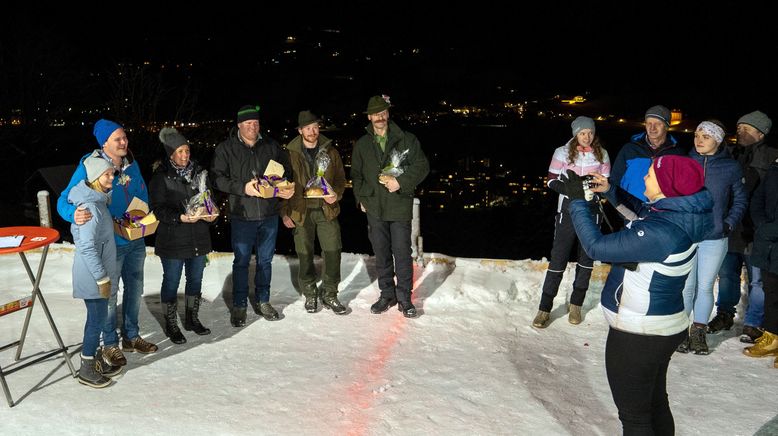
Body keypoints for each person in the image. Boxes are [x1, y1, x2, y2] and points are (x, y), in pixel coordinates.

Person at [555, 155, 712, 434]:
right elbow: (644, 213)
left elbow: (596, 247)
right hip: (663, 325)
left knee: (635, 417)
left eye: (650, 175)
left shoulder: (661, 233)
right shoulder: (681, 215)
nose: (644, 179)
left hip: (639, 333)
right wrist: (611, 190)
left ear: (666, 186)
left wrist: (577, 201)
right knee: (654, 404)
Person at [57, 119, 158, 369]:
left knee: (135, 289)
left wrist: (142, 215)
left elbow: (142, 195)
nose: (124, 142)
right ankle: (110, 343)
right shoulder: (90, 166)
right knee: (110, 295)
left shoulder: (131, 165)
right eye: (117, 139)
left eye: (125, 137)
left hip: (134, 239)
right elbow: (64, 199)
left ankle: (131, 337)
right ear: (104, 142)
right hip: (109, 245)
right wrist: (73, 214)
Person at [211, 105, 294, 327]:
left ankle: (263, 300)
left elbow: (287, 171)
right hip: (242, 214)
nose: (253, 127)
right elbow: (217, 179)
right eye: (248, 124)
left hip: (268, 214)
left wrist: (287, 187)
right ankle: (239, 305)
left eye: (256, 123)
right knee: (241, 262)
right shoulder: (226, 149)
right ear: (239, 125)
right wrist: (242, 188)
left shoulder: (271, 146)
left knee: (265, 261)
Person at [351, 95, 429, 318]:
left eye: (383, 113)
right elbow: (356, 175)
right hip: (374, 206)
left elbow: (422, 166)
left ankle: (404, 297)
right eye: (376, 114)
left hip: (399, 205)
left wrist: (401, 182)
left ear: (388, 114)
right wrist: (361, 199)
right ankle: (387, 294)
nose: (380, 117)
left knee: (403, 253)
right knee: (381, 252)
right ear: (369, 117)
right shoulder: (363, 144)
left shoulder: (406, 139)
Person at [533, 116, 610, 328]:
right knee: (558, 259)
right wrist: (568, 189)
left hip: (592, 210)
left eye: (591, 133)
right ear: (575, 133)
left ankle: (576, 305)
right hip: (566, 210)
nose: (587, 137)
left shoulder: (602, 153)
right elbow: (551, 180)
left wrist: (593, 189)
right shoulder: (562, 152)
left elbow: (605, 181)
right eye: (583, 132)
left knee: (586, 261)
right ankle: (544, 308)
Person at [678, 120, 747, 354]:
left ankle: (698, 333)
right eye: (697, 134)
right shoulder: (686, 162)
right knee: (687, 287)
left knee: (705, 286)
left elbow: (740, 200)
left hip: (715, 237)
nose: (698, 139)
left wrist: (728, 224)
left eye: (705, 136)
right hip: (687, 235)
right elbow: (674, 194)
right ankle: (681, 332)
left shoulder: (730, 167)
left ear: (717, 140)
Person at [709, 111, 776, 344]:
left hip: (758, 231)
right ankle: (725, 314)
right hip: (731, 226)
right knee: (727, 273)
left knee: (757, 280)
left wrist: (764, 225)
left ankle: (754, 323)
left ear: (761, 132)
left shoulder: (771, 157)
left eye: (747, 129)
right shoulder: (729, 155)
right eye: (738, 128)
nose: (741, 132)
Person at [149, 127, 217, 344]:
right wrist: (180, 217)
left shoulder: (200, 174)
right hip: (173, 239)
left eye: (187, 150)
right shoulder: (161, 178)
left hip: (198, 237)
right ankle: (171, 324)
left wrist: (211, 214)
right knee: (171, 281)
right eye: (179, 151)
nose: (185, 155)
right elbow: (158, 209)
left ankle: (191, 319)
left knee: (195, 279)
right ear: (171, 154)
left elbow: (209, 201)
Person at [280, 110, 347, 314]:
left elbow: (340, 180)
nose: (313, 131)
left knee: (333, 250)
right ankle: (310, 293)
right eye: (308, 128)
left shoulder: (331, 152)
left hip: (327, 209)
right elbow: (282, 186)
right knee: (304, 254)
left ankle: (330, 293)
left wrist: (336, 195)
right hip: (300, 211)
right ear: (300, 131)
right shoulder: (289, 154)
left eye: (316, 127)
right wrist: (284, 213)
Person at [69, 155, 122, 388]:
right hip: (93, 276)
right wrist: (102, 278)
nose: (112, 177)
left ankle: (93, 359)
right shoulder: (91, 206)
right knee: (96, 320)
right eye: (107, 174)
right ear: (94, 177)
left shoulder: (99, 201)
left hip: (97, 273)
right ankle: (87, 368)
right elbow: (87, 246)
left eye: (112, 173)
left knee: (97, 319)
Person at [609, 105, 686, 201]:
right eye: (649, 123)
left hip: (663, 211)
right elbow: (614, 180)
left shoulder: (678, 154)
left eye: (658, 124)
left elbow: (682, 186)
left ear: (666, 126)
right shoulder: (629, 149)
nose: (652, 128)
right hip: (630, 209)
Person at [745, 156, 778, 366]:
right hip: (769, 244)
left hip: (769, 236)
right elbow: (757, 199)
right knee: (772, 290)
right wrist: (761, 224)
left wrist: (767, 230)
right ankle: (772, 338)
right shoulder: (775, 167)